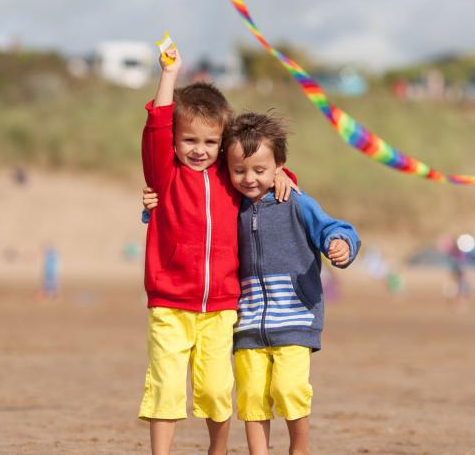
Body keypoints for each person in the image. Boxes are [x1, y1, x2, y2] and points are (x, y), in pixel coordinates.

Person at [140, 45, 297, 455]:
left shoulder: (229, 178)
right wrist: (169, 75)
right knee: (167, 386)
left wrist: (284, 173)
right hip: (170, 302)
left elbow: (255, 170)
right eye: (189, 139)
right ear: (175, 141)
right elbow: (157, 124)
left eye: (210, 142)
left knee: (214, 388)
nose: (199, 149)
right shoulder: (166, 176)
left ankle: (218, 449)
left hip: (222, 305)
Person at [225, 112, 360, 455]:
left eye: (259, 170)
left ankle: (299, 447)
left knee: (288, 389)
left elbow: (333, 227)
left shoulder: (295, 202)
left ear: (279, 165)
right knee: (252, 395)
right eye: (239, 170)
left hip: (296, 318)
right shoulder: (230, 207)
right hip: (248, 321)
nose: (249, 178)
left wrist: (341, 242)